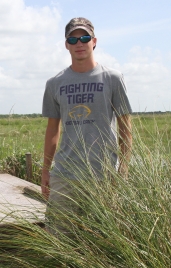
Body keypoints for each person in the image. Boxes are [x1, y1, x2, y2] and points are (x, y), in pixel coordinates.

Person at [41, 17, 133, 211]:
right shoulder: (54, 83)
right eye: (73, 40)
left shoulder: (113, 79)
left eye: (84, 37)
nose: (79, 44)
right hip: (64, 174)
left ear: (94, 41)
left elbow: (126, 128)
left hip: (103, 174)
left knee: (101, 238)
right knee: (59, 236)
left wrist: (123, 169)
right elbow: (52, 130)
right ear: (67, 45)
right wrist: (45, 171)